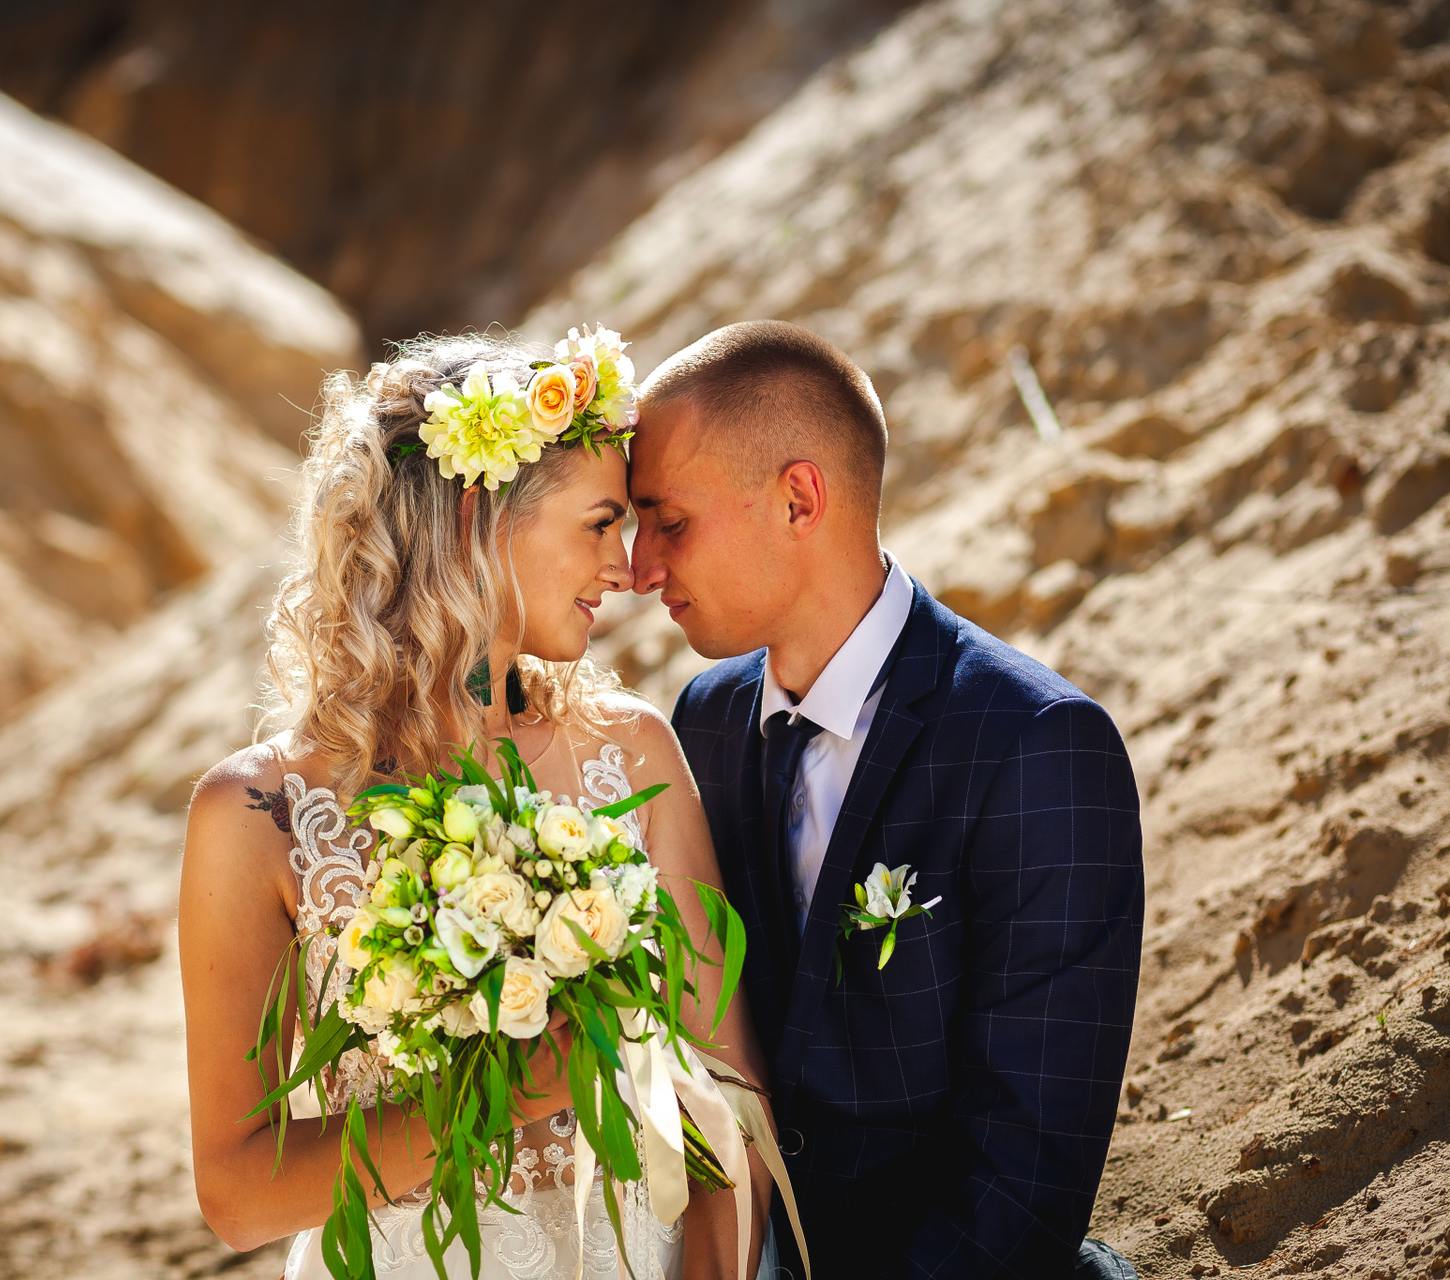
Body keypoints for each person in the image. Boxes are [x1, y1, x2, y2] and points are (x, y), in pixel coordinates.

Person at [181, 334, 772, 1280]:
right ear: (478, 518)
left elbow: (730, 1101)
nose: (625, 569)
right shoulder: (258, 815)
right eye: (599, 524)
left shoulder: (632, 753)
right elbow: (239, 1194)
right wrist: (509, 1095)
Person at [628, 321, 1143, 1279]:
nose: (638, 568)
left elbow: (1027, 1174)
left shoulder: (1036, 745)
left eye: (669, 522)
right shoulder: (703, 719)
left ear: (799, 498)